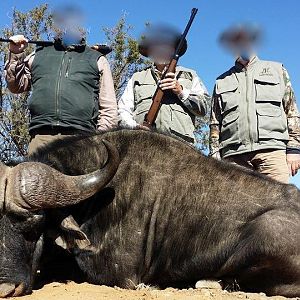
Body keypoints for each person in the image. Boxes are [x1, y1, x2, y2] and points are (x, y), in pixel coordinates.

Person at [209, 24, 300, 183]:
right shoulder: (221, 81)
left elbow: (291, 111)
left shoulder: (277, 70)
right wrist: (214, 157)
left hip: (271, 152)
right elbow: (215, 123)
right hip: (234, 158)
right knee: (236, 207)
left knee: (279, 205)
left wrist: (294, 149)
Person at [5, 29, 118, 155]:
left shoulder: (97, 59)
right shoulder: (38, 54)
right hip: (41, 138)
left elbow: (109, 108)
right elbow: (16, 86)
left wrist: (98, 140)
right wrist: (16, 53)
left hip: (82, 139)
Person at [118, 24, 210, 145]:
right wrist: (135, 128)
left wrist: (181, 91)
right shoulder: (137, 78)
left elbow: (204, 108)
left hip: (181, 148)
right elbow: (122, 111)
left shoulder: (190, 75)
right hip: (143, 146)